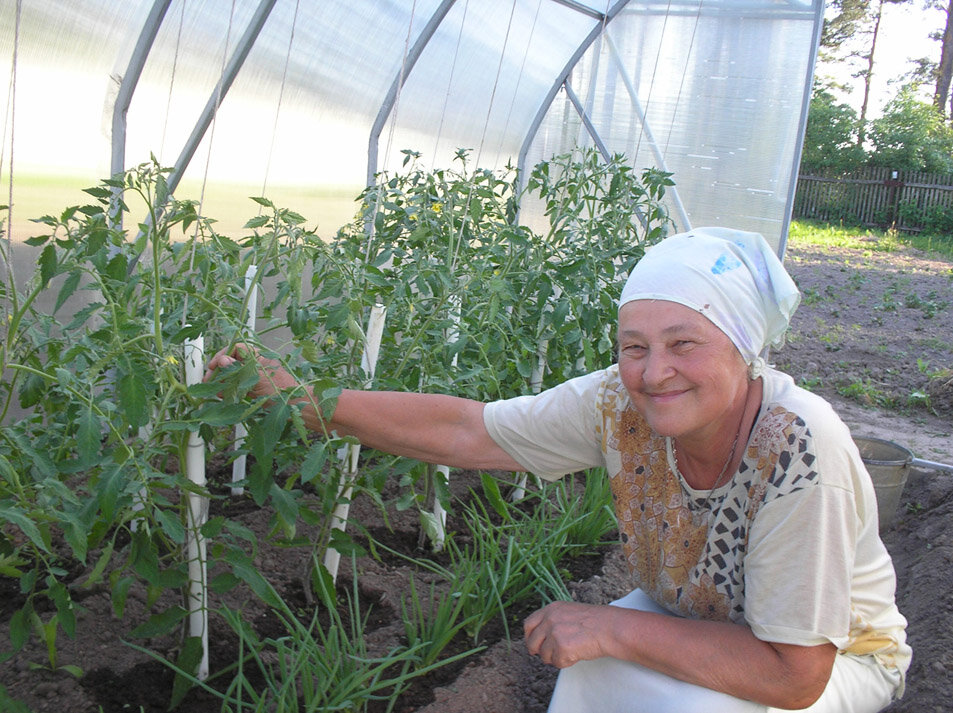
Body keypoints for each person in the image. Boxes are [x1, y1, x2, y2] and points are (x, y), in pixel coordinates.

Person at [205, 227, 910, 712]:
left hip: (832, 660)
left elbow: (793, 672)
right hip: (695, 617)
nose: (653, 371)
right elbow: (468, 427)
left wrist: (611, 626)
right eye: (633, 345)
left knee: (692, 700)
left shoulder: (797, 451)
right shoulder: (617, 402)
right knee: (592, 672)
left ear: (742, 348)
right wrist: (309, 405)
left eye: (683, 342)